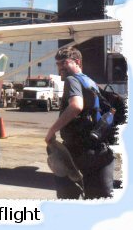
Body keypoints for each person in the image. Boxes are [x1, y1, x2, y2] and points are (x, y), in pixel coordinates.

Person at [45, 47, 114, 199]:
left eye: (64, 63)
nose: (60, 68)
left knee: (68, 198)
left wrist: (52, 131)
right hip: (98, 150)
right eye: (57, 64)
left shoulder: (72, 79)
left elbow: (76, 106)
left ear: (77, 62)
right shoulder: (90, 82)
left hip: (78, 151)